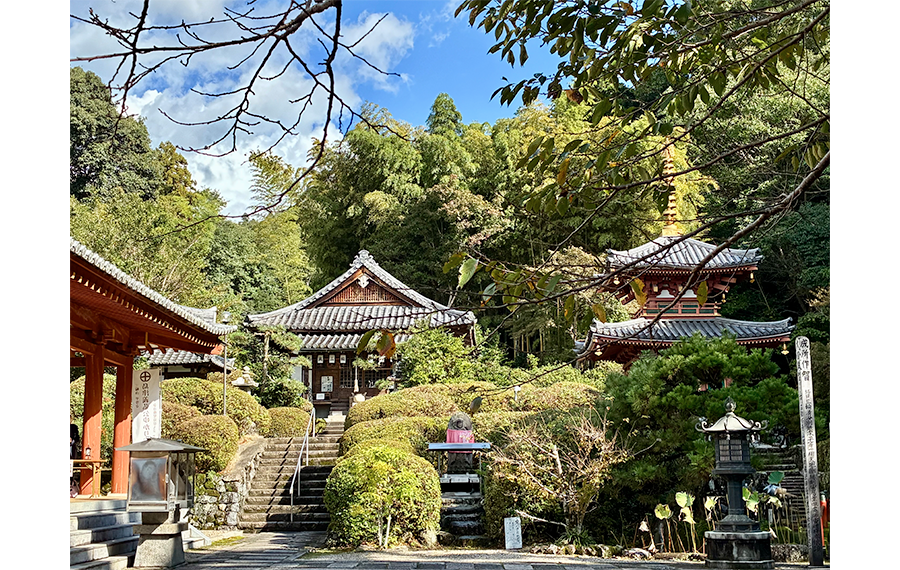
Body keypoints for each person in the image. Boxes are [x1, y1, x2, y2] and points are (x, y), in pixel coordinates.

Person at [70, 422, 80, 497]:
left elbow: (77, 438)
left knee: (70, 468)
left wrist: (72, 441)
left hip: (71, 448)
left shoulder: (74, 427)